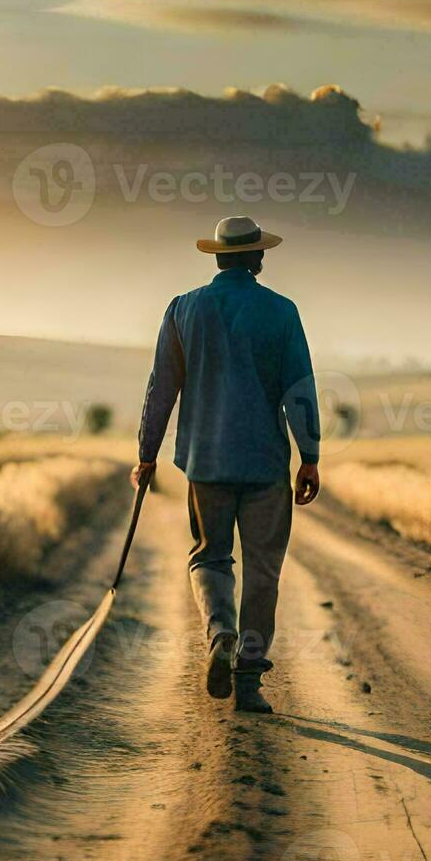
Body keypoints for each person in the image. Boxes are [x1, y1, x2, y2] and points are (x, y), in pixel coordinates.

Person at [133, 215, 321, 714]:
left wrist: (146, 453)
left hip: (205, 459)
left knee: (210, 557)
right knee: (264, 571)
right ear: (257, 259)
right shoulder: (282, 312)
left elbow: (162, 388)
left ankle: (220, 634)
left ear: (217, 257)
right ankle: (251, 682)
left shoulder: (183, 310)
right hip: (264, 463)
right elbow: (299, 388)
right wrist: (311, 456)